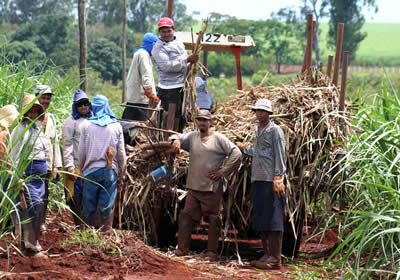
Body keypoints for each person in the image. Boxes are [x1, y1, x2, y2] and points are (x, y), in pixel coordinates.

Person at [170, 110, 242, 260]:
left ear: (210, 122)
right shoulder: (193, 136)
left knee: (213, 218)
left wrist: (223, 172)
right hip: (194, 187)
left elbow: (236, 153)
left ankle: (211, 252)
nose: (202, 123)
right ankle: (182, 249)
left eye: (205, 120)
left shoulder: (218, 139)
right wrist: (176, 140)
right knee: (186, 215)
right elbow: (176, 135)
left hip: (211, 188)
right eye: (199, 120)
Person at [236, 99, 286, 270]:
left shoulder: (275, 131)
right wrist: (244, 149)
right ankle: (266, 255)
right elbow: (259, 153)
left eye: (263, 111)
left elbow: (280, 154)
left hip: (270, 180)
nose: (259, 113)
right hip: (258, 179)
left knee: (274, 218)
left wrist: (278, 178)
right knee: (262, 218)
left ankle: (275, 258)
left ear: (269, 113)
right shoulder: (259, 130)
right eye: (257, 110)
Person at [78, 95, 126, 231]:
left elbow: (81, 153)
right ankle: (105, 234)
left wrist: (82, 173)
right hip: (110, 172)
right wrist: (122, 175)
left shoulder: (85, 125)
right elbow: (121, 154)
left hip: (90, 171)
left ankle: (88, 234)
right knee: (106, 206)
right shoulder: (116, 126)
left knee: (89, 206)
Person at [11, 95, 49, 254]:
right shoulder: (19, 129)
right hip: (28, 173)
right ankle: (29, 242)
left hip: (40, 175)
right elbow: (14, 153)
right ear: (25, 112)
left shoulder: (38, 128)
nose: (33, 114)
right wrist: (18, 174)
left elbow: (44, 150)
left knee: (39, 204)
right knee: (31, 205)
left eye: (36, 111)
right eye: (30, 111)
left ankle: (33, 241)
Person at [152, 17, 199, 132]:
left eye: (169, 31)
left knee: (182, 116)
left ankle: (178, 140)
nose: (167, 34)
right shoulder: (158, 48)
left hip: (181, 86)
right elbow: (167, 66)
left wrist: (190, 68)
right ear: (160, 32)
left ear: (173, 29)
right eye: (163, 31)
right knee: (171, 117)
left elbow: (184, 62)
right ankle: (170, 141)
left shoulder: (178, 43)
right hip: (169, 88)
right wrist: (187, 60)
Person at [62, 90, 93, 226]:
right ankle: (80, 225)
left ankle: (88, 225)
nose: (84, 107)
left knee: (88, 197)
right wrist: (69, 167)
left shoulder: (93, 119)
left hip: (89, 166)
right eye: (80, 104)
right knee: (75, 197)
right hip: (75, 166)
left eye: (86, 104)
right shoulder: (70, 122)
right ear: (75, 106)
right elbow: (67, 145)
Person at [34, 84, 62, 231]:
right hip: (32, 164)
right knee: (32, 194)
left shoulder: (51, 118)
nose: (45, 101)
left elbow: (55, 142)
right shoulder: (30, 117)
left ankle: (41, 222)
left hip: (47, 163)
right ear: (36, 98)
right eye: (43, 98)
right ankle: (31, 223)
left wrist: (56, 166)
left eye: (47, 98)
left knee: (45, 193)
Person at [123, 33, 159, 122]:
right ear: (153, 44)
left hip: (134, 98)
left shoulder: (140, 53)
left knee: (129, 124)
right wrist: (150, 92)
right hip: (140, 101)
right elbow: (146, 74)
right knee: (138, 128)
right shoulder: (143, 54)